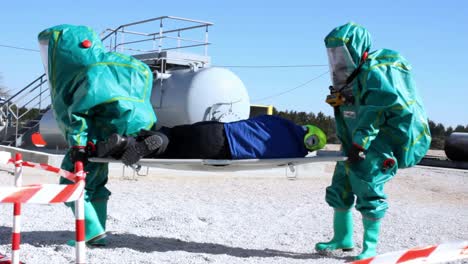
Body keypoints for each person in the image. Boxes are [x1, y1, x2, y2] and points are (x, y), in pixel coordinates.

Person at [315, 22, 431, 260]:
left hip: (373, 145)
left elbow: (374, 112)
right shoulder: (352, 78)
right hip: (353, 143)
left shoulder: (375, 74)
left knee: (369, 189)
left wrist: (360, 143)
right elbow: (354, 110)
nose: (337, 59)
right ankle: (343, 238)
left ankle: (370, 248)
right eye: (334, 53)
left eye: (342, 52)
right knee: (340, 186)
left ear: (357, 49)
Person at [38, 24, 158, 246]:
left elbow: (79, 114)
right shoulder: (126, 64)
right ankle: (130, 143)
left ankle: (92, 232)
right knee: (96, 182)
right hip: (131, 127)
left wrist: (78, 146)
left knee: (69, 183)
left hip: (95, 136)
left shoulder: (87, 72)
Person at [95, 114, 328, 164]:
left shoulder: (282, 123)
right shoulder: (296, 154)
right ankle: (126, 148)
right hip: (220, 153)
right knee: (169, 151)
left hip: (220, 131)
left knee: (170, 134)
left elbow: (257, 120)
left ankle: (125, 143)